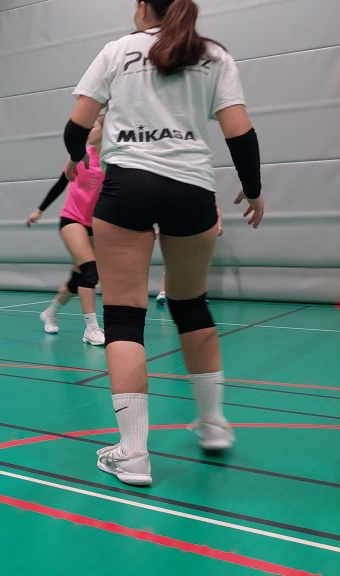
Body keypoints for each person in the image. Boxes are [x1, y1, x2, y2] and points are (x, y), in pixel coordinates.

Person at [63, 0, 264, 486]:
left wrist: (75, 157)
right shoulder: (213, 54)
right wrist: (254, 190)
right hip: (192, 189)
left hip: (127, 187)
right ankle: (213, 424)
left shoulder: (117, 51)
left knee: (124, 316)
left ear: (141, 7)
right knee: (192, 306)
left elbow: (76, 127)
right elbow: (240, 133)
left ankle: (133, 453)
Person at [26, 116, 106, 345]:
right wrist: (39, 210)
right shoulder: (78, 155)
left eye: (94, 127)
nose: (88, 131)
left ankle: (50, 313)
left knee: (76, 280)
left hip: (94, 225)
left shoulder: (112, 160)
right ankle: (91, 328)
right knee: (90, 271)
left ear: (106, 129)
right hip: (72, 219)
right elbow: (61, 184)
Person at [156, 207, 222, 304]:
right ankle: (163, 292)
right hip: (178, 231)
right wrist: (161, 227)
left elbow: (216, 210)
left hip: (198, 232)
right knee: (172, 261)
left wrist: (219, 225)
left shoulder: (206, 202)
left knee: (197, 265)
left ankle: (197, 295)